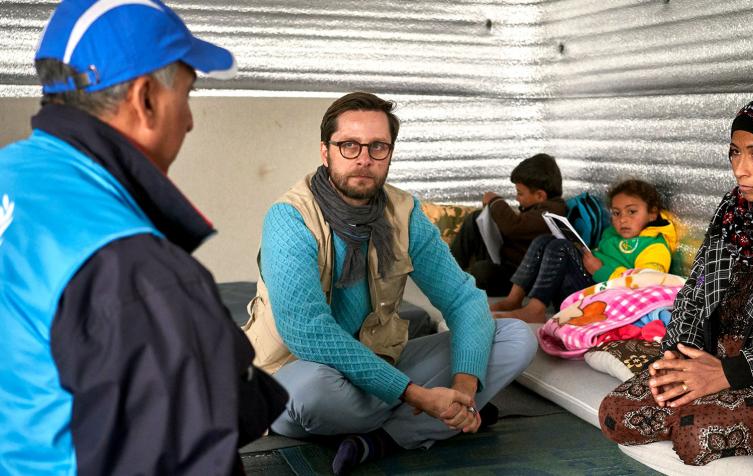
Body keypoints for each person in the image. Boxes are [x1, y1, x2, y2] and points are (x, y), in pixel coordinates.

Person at [0, 1, 287, 474]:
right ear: (146, 99)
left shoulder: (12, 174)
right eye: (189, 95)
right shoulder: (135, 274)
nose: (191, 121)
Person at [243, 92, 538, 475]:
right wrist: (418, 396)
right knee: (311, 392)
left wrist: (464, 390)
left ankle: (378, 440)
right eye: (349, 145)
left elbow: (463, 300)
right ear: (325, 151)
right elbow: (306, 331)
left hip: (380, 364)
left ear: (390, 153)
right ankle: (421, 421)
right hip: (296, 371)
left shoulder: (404, 213)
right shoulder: (289, 217)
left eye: (378, 147)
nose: (364, 158)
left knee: (515, 336)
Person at [597, 93, 753, 465]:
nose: (740, 169)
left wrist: (730, 373)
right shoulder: (734, 210)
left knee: (695, 434)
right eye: (735, 151)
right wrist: (678, 361)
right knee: (617, 414)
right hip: (712, 361)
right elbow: (696, 291)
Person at [492, 179, 676, 323]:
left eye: (632, 212)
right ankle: (514, 298)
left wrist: (601, 271)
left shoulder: (654, 246)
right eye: (616, 213)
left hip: (602, 298)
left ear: (652, 213)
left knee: (561, 247)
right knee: (544, 240)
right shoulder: (612, 233)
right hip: (580, 290)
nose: (622, 220)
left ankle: (535, 310)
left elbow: (647, 284)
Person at [450, 153, 566, 296]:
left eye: (520, 193)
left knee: (481, 271)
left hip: (519, 276)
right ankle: (448, 271)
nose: (517, 198)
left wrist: (495, 201)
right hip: (504, 260)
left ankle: (455, 278)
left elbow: (514, 226)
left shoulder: (552, 213)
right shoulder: (539, 207)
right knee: (476, 218)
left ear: (540, 196)